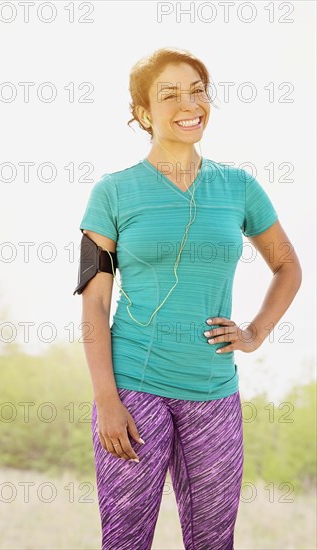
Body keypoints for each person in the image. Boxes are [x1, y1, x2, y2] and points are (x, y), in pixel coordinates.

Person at [74, 48, 302, 550]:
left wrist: (255, 333)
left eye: (197, 89)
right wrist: (106, 399)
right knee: (126, 541)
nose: (189, 103)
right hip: (134, 388)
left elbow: (288, 266)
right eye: (170, 94)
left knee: (214, 541)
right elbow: (94, 305)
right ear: (143, 113)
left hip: (214, 391)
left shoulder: (239, 186)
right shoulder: (112, 193)